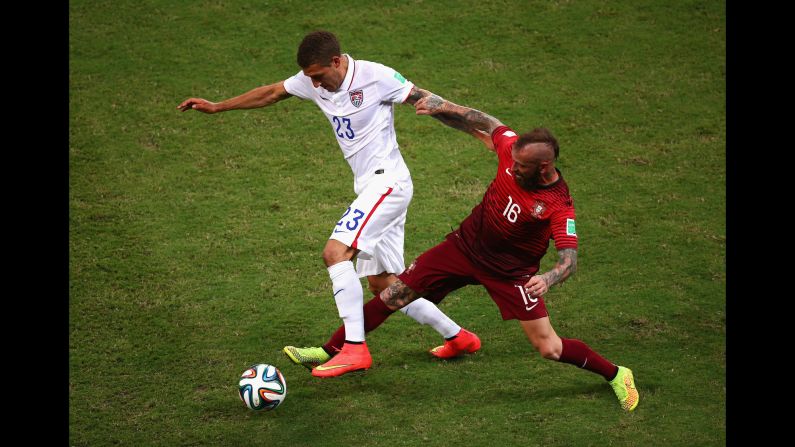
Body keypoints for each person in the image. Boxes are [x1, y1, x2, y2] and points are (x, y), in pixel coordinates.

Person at [177, 31, 484, 378]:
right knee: (384, 284)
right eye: (310, 79)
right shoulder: (314, 80)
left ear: (337, 61)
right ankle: (458, 337)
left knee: (335, 252)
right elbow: (273, 92)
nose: (315, 85)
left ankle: (354, 349)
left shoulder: (377, 77)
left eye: (319, 76)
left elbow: (431, 102)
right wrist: (217, 106)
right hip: (371, 186)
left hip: (389, 183)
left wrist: (484, 132)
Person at [362, 93, 640, 411]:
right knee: (394, 293)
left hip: (512, 273)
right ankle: (339, 347)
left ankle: (617, 374)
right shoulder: (514, 151)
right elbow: (487, 125)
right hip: (467, 248)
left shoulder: (558, 206)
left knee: (548, 347)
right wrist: (444, 108)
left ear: (544, 166)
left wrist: (548, 279)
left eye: (522, 167)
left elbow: (569, 260)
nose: (513, 168)